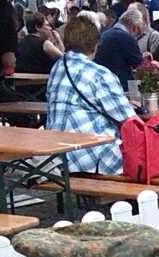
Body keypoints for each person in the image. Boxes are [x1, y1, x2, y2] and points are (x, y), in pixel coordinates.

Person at [46, 15, 136, 174]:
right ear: (95, 45)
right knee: (144, 154)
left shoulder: (58, 68)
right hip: (88, 158)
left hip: (54, 156)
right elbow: (129, 119)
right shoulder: (100, 74)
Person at [93, 6, 144, 89]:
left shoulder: (105, 34)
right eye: (138, 30)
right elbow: (141, 65)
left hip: (101, 83)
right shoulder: (126, 38)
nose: (136, 35)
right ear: (134, 26)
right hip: (120, 85)